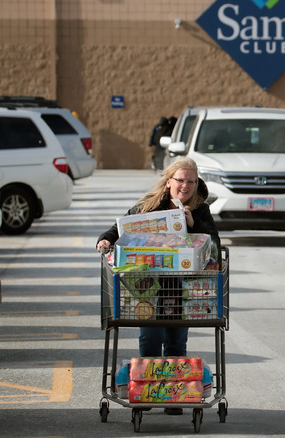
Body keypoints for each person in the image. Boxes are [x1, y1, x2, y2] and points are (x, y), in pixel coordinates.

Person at [96, 157, 219, 415]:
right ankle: (147, 392)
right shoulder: (150, 205)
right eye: (180, 180)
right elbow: (121, 227)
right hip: (147, 287)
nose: (185, 186)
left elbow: (214, 242)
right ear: (168, 182)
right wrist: (106, 240)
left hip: (181, 288)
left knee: (176, 339)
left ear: (197, 184)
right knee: (150, 338)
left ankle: (176, 396)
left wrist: (193, 224)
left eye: (191, 181)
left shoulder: (200, 209)